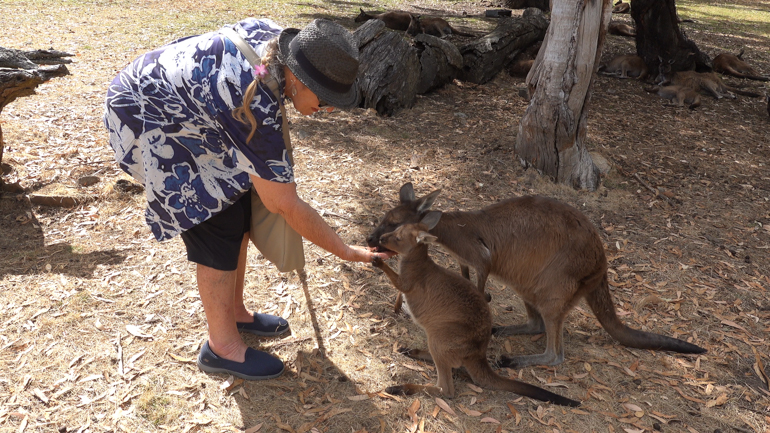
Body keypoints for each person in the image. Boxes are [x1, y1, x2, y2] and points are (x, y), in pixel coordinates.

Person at [104, 18, 391, 380]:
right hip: (146, 117)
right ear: (298, 80)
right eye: (327, 99)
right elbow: (284, 203)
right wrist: (348, 252)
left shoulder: (276, 49)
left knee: (237, 201)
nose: (330, 110)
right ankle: (221, 348)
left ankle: (235, 312)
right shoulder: (254, 100)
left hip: (198, 112)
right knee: (213, 218)